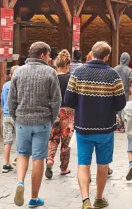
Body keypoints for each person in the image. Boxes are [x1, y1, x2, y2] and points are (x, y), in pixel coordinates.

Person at [64, 41, 127, 209]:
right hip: (105, 128)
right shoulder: (113, 75)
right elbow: (121, 104)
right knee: (102, 164)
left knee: (83, 163)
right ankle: (99, 197)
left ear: (91, 53)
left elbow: (68, 101)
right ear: (107, 56)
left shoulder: (78, 72)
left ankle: (85, 200)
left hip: (83, 126)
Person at [7, 42, 61, 208]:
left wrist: (16, 116)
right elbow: (56, 100)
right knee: (39, 157)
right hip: (42, 121)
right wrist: (52, 118)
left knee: (22, 153)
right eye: (49, 55)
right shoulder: (51, 73)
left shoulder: (18, 72)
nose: (51, 58)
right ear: (43, 55)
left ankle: (20, 183)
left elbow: (11, 100)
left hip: (22, 120)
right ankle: (34, 197)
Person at [46, 50, 75, 179]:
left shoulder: (52, 78)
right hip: (68, 112)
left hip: (54, 111)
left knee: (53, 138)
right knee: (65, 142)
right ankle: (64, 168)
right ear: (68, 64)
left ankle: (50, 160)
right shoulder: (71, 78)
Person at [1, 65, 19, 173]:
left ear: (10, 75)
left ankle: (6, 163)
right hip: (17, 116)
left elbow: (3, 102)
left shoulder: (5, 85)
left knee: (7, 141)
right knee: (20, 140)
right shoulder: (20, 85)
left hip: (6, 115)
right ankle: (18, 159)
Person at [114, 52, 132, 133]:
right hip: (124, 91)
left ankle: (115, 125)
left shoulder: (115, 68)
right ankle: (121, 126)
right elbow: (131, 81)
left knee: (115, 107)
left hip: (115, 90)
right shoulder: (129, 70)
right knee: (122, 108)